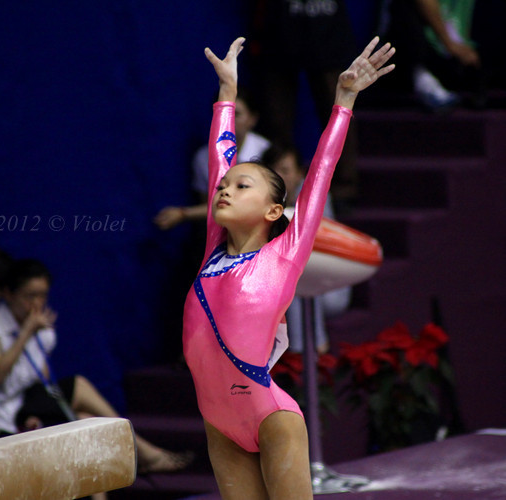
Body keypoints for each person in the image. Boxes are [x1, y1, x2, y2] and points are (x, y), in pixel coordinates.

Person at [182, 37, 394, 499]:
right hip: (218, 421)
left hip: (270, 414)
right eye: (224, 186)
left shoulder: (284, 254)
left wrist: (344, 101)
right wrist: (227, 93)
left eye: (242, 186)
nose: (224, 189)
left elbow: (321, 171)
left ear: (275, 211)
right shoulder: (213, 252)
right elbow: (221, 155)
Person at [0, 258, 192, 474]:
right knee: (78, 385)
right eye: (30, 296)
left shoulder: (43, 331)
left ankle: (135, 455)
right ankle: (142, 449)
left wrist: (35, 413)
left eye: (42, 296)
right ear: (8, 293)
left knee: (88, 423)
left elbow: (42, 382)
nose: (37, 304)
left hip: (26, 410)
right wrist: (26, 332)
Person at [248, 0, 360, 209]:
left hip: (327, 25)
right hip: (280, 24)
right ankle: (277, 185)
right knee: (276, 117)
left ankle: (344, 188)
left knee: (338, 109)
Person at [260, 144, 352, 354]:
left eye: (285, 170)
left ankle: (306, 353)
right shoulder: (260, 200)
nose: (279, 177)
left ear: (300, 173)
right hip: (276, 290)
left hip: (329, 288)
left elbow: (320, 245)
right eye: (273, 171)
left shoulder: (316, 196)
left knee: (301, 273)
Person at [154, 87, 270, 231]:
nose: (228, 121)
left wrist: (184, 214)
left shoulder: (266, 151)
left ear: (252, 119)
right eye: (222, 115)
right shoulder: (203, 158)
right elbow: (213, 208)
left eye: (237, 114)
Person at [378, 0, 484, 110]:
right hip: (399, 59)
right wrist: (449, 44)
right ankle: (423, 78)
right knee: (402, 5)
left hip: (447, 58)